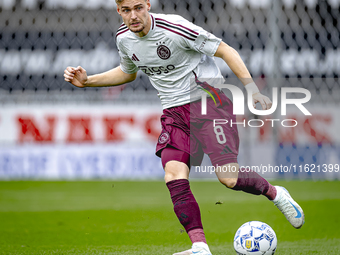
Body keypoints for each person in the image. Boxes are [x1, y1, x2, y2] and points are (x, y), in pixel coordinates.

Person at [64, 0, 305, 254]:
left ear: (148, 5)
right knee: (173, 175)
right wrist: (88, 81)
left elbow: (225, 50)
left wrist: (252, 91)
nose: (133, 16)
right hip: (174, 114)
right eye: (126, 10)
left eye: (138, 8)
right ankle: (199, 247)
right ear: (118, 11)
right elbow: (128, 71)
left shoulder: (175, 27)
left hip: (209, 104)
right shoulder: (124, 38)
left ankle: (276, 194)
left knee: (229, 179)